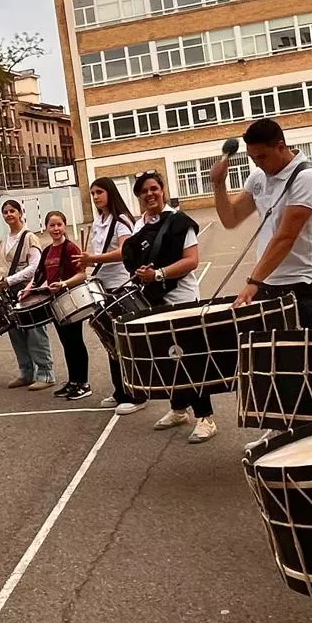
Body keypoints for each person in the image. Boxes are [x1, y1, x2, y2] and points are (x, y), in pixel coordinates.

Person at [211, 118, 312, 329]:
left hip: (307, 286)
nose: (258, 163)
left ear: (280, 147)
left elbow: (285, 237)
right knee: (271, 358)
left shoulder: (307, 179)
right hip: (270, 282)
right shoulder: (259, 176)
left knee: (303, 358)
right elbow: (231, 219)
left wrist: (253, 282)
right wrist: (218, 184)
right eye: (252, 158)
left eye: (262, 157)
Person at [115, 171, 211, 442]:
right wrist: (139, 272)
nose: (150, 194)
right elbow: (133, 259)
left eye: (154, 188)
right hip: (153, 299)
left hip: (180, 298)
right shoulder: (139, 225)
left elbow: (191, 260)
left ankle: (205, 418)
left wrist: (158, 274)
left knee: (190, 358)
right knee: (168, 356)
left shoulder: (180, 222)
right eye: (144, 191)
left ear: (163, 190)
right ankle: (179, 408)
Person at [77, 177, 144, 413]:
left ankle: (136, 394)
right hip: (102, 287)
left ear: (110, 193)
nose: (95, 197)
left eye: (99, 192)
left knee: (124, 344)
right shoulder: (100, 221)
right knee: (110, 342)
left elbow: (124, 252)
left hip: (120, 287)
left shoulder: (121, 221)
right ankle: (120, 390)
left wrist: (93, 259)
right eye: (92, 193)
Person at [34, 211, 91, 401]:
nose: (56, 229)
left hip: (71, 300)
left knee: (75, 341)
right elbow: (39, 277)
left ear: (64, 225)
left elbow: (82, 275)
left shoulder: (71, 248)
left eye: (59, 224)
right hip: (55, 303)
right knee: (67, 343)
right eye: (52, 225)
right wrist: (27, 291)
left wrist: (64, 284)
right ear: (46, 228)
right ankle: (73, 381)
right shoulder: (47, 251)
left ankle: (83, 383)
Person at [0, 199, 53, 390]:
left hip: (28, 288)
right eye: (5, 212)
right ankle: (26, 372)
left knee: (35, 331)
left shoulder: (29, 237)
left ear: (20, 213)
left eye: (12, 211)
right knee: (15, 331)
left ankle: (46, 373)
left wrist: (11, 280)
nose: (9, 215)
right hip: (10, 291)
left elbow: (35, 267)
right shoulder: (5, 239)